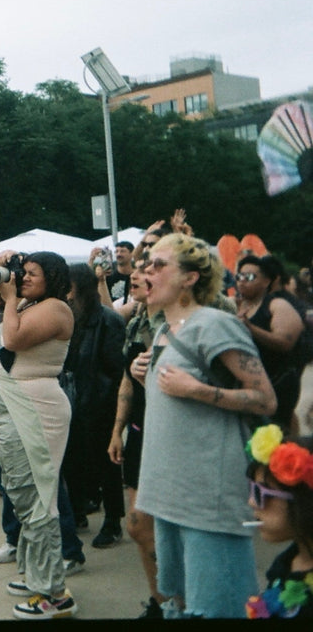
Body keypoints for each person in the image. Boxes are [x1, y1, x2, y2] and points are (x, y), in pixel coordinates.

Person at [133, 233, 277, 618]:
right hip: (170, 495)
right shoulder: (164, 329)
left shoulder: (213, 324)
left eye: (159, 264)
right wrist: (141, 372)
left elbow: (265, 398)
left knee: (220, 607)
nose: (147, 271)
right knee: (185, 602)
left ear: (190, 278)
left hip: (207, 498)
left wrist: (195, 390)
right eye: (146, 264)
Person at [0, 250, 77, 619]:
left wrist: (9, 299)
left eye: (32, 273)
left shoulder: (56, 308)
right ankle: (37, 573)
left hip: (34, 409)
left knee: (38, 498)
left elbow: (14, 342)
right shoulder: (25, 304)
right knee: (23, 496)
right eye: (24, 272)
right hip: (12, 407)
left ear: (52, 276)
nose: (24, 278)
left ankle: (54, 594)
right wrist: (9, 290)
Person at [107, 259, 167, 618]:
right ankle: (159, 600)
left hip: (173, 437)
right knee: (138, 527)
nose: (133, 280)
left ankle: (180, 602)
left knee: (170, 530)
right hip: (140, 431)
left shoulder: (182, 322)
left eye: (142, 275)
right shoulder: (138, 322)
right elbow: (128, 378)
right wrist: (118, 429)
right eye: (131, 276)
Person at [62, 262, 127, 546]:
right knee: (73, 462)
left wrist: (106, 405)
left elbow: (115, 369)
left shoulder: (108, 321)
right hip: (74, 402)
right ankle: (78, 512)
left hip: (100, 404)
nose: (66, 292)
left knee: (107, 466)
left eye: (70, 286)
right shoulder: (70, 317)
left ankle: (113, 521)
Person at [243, 425, 313, 619]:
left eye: (263, 493)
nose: (252, 502)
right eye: (252, 489)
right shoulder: (286, 564)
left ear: (304, 501)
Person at [235, 254, 305, 430]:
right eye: (239, 276)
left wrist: (251, 328)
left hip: (277, 383)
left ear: (266, 281)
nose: (242, 281)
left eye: (250, 277)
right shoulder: (235, 305)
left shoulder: (276, 305)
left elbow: (284, 342)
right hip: (248, 386)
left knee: (277, 435)